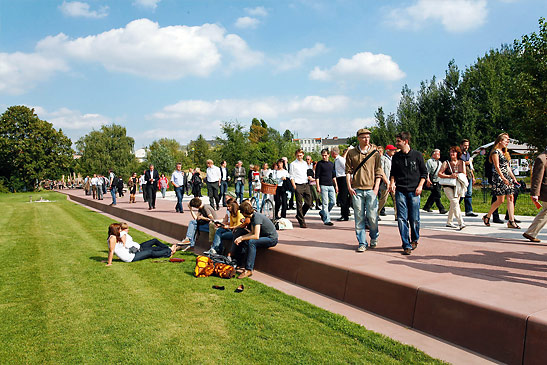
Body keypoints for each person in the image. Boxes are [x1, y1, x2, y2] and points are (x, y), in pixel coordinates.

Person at [388, 132, 427, 255]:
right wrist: (392, 183)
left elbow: (424, 173)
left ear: (405, 141)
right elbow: (392, 173)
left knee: (414, 218)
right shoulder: (396, 157)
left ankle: (414, 239)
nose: (396, 143)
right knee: (401, 218)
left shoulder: (417, 155)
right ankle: (406, 244)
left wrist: (420, 186)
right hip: (400, 191)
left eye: (398, 141)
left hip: (414, 191)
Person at [345, 128, 382, 252]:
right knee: (359, 218)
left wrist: (376, 188)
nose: (367, 140)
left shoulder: (375, 152)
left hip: (371, 189)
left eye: (368, 137)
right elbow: (348, 171)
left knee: (372, 218)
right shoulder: (352, 153)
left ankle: (374, 236)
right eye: (364, 137)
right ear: (359, 138)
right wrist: (349, 187)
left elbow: (379, 171)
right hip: (357, 190)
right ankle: (362, 242)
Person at [482, 133, 520, 229]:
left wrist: (513, 177)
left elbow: (507, 167)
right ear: (500, 141)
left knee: (511, 197)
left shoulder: (504, 153)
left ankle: (511, 221)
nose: (507, 142)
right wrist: (502, 177)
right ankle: (487, 216)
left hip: (506, 177)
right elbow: (497, 166)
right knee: (500, 200)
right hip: (499, 177)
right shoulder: (495, 152)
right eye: (506, 140)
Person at [233, 201, 278, 279]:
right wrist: (241, 238)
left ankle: (248, 270)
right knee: (246, 240)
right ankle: (240, 262)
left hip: (271, 239)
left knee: (252, 242)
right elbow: (252, 233)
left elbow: (256, 236)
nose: (241, 214)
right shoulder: (253, 217)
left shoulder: (257, 217)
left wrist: (242, 238)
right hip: (264, 237)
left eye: (241, 212)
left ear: (244, 212)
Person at [105, 223, 174, 265]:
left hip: (130, 255)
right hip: (130, 257)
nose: (120, 230)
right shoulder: (113, 238)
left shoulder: (113, 237)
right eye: (119, 229)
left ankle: (168, 251)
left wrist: (108, 260)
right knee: (150, 252)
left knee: (150, 252)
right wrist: (109, 263)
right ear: (115, 230)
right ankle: (169, 251)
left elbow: (115, 250)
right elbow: (111, 251)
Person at [438, 146, 468, 230]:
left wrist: (459, 176)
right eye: (451, 152)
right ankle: (461, 222)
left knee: (453, 204)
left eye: (454, 152)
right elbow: (439, 174)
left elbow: (464, 174)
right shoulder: (446, 163)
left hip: (458, 185)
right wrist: (449, 176)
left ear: (458, 153)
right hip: (448, 185)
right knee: (455, 202)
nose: (452, 154)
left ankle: (449, 222)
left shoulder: (462, 163)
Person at [523, 148, 547, 242]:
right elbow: (537, 178)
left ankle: (531, 232)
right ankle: (531, 232)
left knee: (545, 212)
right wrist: (535, 194)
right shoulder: (542, 158)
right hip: (545, 191)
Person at [290, 148, 313, 228]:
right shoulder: (293, 164)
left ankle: (300, 215)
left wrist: (310, 178)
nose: (299, 157)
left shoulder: (305, 164)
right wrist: (294, 186)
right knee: (299, 204)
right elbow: (291, 176)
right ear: (296, 155)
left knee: (309, 202)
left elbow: (307, 173)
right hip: (298, 184)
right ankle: (301, 221)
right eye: (298, 155)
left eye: (301, 155)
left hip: (305, 184)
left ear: (303, 155)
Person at [315, 148, 338, 226]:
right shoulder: (319, 164)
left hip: (331, 185)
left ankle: (323, 212)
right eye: (322, 155)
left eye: (325, 155)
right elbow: (317, 176)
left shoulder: (331, 164)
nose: (324, 157)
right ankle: (327, 220)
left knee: (333, 202)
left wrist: (336, 186)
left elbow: (333, 176)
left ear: (328, 155)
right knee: (325, 203)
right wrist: (318, 186)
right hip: (323, 185)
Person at [423, 149, 447, 214]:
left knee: (434, 194)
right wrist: (427, 180)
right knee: (437, 194)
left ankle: (427, 206)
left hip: (438, 180)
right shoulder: (429, 161)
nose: (439, 155)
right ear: (433, 155)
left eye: (439, 153)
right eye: (437, 153)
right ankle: (441, 208)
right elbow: (427, 171)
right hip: (432, 180)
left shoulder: (440, 162)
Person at [378, 144, 398, 219]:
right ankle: (377, 213)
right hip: (386, 182)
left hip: (393, 182)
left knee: (396, 199)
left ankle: (397, 215)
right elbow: (381, 170)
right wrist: (386, 181)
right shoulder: (383, 159)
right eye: (392, 150)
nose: (394, 151)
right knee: (383, 199)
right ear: (388, 151)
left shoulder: (394, 158)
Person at [460, 139, 478, 217]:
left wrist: (473, 176)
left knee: (469, 193)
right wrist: (466, 162)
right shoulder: (459, 154)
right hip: (462, 175)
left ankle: (469, 210)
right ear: (461, 145)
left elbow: (470, 166)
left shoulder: (467, 154)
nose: (466, 147)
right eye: (465, 145)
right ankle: (454, 206)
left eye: (467, 145)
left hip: (469, 175)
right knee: (462, 193)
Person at [332, 146, 350, 221]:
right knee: (342, 198)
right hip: (339, 178)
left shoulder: (340, 160)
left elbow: (346, 168)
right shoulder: (336, 160)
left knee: (344, 197)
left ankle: (344, 215)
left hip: (343, 178)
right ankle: (344, 213)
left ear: (333, 153)